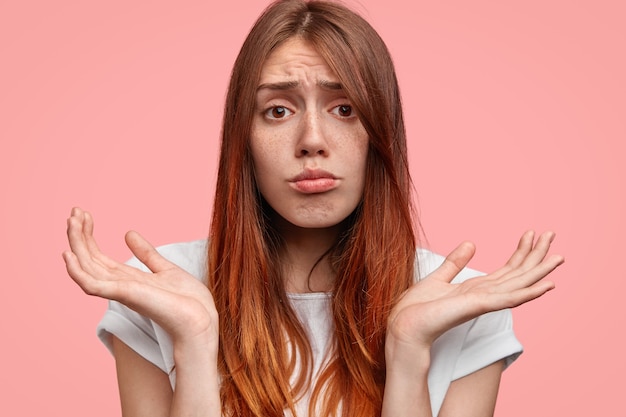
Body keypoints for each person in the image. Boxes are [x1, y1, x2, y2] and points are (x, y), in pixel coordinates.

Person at [63, 1, 564, 416]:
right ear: (244, 139)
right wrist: (194, 345)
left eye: (343, 109)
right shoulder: (159, 293)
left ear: (381, 134)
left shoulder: (462, 309)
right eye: (278, 110)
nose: (312, 141)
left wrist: (409, 353)